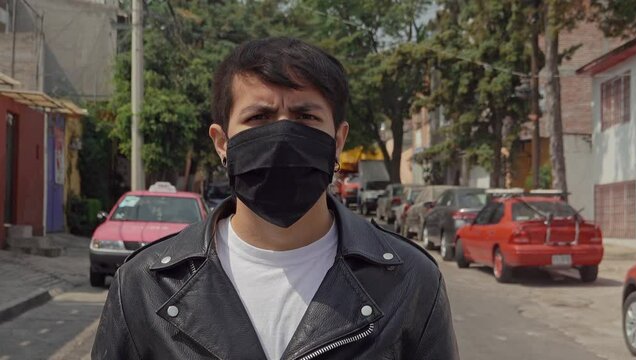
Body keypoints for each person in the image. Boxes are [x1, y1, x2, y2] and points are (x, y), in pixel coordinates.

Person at [92, 37, 459, 360]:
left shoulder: (409, 280)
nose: (283, 134)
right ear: (222, 142)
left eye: (305, 116)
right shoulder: (145, 285)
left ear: (339, 140)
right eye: (260, 117)